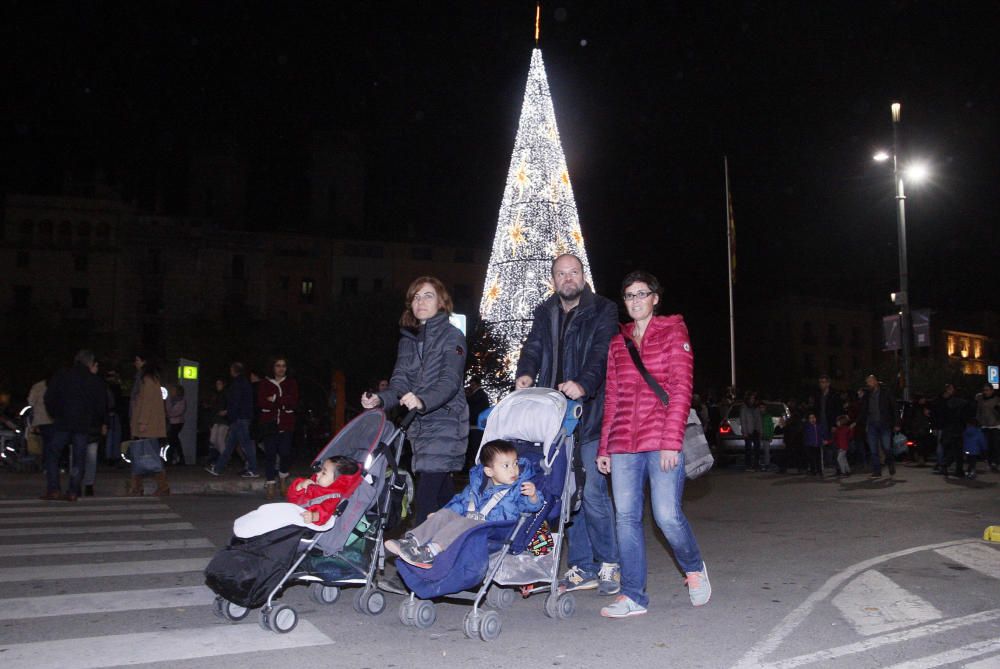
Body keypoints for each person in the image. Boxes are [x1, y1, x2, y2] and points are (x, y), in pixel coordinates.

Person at [596, 270, 710, 618]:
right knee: (625, 518)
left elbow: (680, 391)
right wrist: (605, 446)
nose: (635, 301)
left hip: (661, 438)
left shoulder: (674, 332)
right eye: (629, 296)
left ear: (655, 298)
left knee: (666, 515)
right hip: (623, 444)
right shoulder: (619, 342)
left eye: (642, 294)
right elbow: (612, 397)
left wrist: (671, 442)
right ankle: (633, 596)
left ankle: (693, 569)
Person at [515, 254, 621, 596]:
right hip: (551, 417)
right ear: (554, 279)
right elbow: (533, 347)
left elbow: (602, 352)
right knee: (565, 491)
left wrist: (584, 383)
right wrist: (525, 374)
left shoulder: (603, 309)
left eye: (573, 272)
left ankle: (609, 563)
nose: (567, 278)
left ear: (582, 276)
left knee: (592, 492)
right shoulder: (545, 311)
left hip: (588, 415)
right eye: (561, 274)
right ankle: (581, 566)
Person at [362, 277, 468, 527]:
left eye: (428, 296)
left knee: (426, 496)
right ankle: (459, 544)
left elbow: (449, 381)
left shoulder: (452, 337)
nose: (421, 301)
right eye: (416, 297)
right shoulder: (408, 341)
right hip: (418, 426)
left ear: (441, 302)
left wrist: (422, 400)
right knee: (444, 496)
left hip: (446, 421)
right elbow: (399, 383)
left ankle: (418, 555)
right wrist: (380, 399)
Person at [384, 439, 541, 568]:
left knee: (463, 522)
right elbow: (459, 503)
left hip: (495, 531)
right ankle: (410, 542)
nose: (513, 470)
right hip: (471, 524)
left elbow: (531, 507)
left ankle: (430, 552)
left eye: (515, 463)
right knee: (445, 514)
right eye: (506, 466)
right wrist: (439, 515)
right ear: (489, 471)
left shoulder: (518, 489)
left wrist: (533, 496)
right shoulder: (476, 487)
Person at [41, 350, 108, 501]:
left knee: (53, 455)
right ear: (90, 363)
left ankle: (53, 488)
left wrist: (55, 413)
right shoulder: (93, 380)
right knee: (79, 457)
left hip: (62, 421)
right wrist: (96, 421)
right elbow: (100, 404)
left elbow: (49, 397)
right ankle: (73, 490)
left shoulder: (62, 376)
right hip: (83, 424)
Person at [206, 362, 259, 478]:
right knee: (231, 445)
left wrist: (231, 415)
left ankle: (253, 469)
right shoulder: (244, 383)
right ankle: (218, 468)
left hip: (239, 418)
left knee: (245, 445)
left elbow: (235, 402)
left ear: (233, 371)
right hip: (242, 417)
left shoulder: (237, 384)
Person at [258, 356, 300, 499]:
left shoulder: (291, 383)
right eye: (278, 365)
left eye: (283, 366)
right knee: (270, 455)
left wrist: (275, 399)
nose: (281, 368)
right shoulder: (264, 383)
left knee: (285, 453)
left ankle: (283, 479)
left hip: (286, 424)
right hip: (269, 425)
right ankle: (270, 484)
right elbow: (262, 402)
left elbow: (293, 402)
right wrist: (282, 402)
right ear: (273, 367)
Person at [129, 358, 170, 496]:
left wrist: (142, 422)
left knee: (147, 456)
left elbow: (146, 404)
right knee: (142, 455)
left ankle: (157, 486)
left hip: (148, 426)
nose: (135, 363)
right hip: (149, 425)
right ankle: (138, 487)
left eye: (137, 360)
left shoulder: (147, 380)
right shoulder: (151, 379)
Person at [286, 456, 364, 524]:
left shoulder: (332, 498)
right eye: (321, 469)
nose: (317, 473)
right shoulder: (313, 482)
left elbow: (325, 513)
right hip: (291, 512)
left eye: (324, 473)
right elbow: (291, 498)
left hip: (302, 522)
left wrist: (313, 516)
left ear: (337, 482)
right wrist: (300, 486)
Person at [856, 374, 896, 479]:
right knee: (873, 449)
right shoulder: (867, 395)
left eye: (869, 382)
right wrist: (858, 422)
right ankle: (877, 470)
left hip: (884, 424)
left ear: (875, 381)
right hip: (872, 424)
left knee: (887, 447)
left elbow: (894, 407)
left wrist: (897, 423)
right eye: (867, 382)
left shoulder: (885, 392)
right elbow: (863, 410)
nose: (868, 384)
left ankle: (890, 462)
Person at [974, 384, 1000, 472]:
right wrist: (979, 421)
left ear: (992, 390)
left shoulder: (997, 399)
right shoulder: (981, 400)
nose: (986, 392)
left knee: (995, 445)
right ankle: (989, 462)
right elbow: (979, 411)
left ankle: (995, 462)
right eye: (984, 390)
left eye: (987, 390)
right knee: (986, 445)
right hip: (985, 425)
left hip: (995, 425)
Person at [206, 378, 231, 467]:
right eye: (217, 384)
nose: (218, 386)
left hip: (223, 420)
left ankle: (224, 460)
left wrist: (227, 411)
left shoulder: (226, 394)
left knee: (220, 440)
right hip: (216, 419)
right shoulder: (216, 395)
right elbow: (213, 408)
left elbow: (230, 405)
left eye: (219, 384)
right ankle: (217, 459)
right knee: (213, 440)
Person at [740, 393, 763, 471]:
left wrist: (760, 430)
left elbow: (759, 420)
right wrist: (745, 432)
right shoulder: (744, 408)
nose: (753, 400)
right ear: (748, 399)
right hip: (748, 431)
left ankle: (756, 464)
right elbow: (743, 420)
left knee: (757, 448)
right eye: (752, 398)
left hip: (756, 430)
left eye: (754, 398)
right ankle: (748, 465)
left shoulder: (756, 408)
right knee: (748, 449)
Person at [165, 385, 187, 465]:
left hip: (178, 422)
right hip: (171, 421)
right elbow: (167, 409)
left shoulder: (182, 400)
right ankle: (178, 457)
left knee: (173, 438)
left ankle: (172, 457)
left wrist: (169, 414)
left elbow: (179, 411)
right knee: (174, 440)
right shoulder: (169, 399)